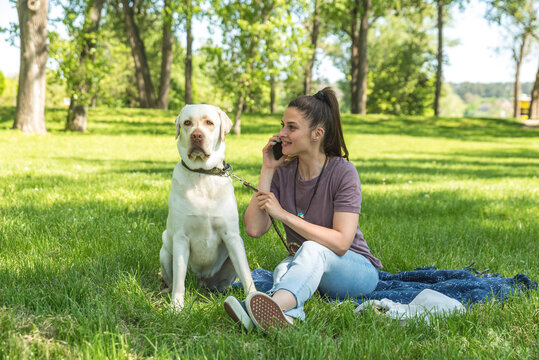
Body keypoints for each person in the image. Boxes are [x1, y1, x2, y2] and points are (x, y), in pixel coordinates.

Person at [224, 87, 382, 331]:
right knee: (283, 267)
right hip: (310, 266)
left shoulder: (342, 172)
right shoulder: (283, 172)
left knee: (310, 250)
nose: (282, 134)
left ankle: (267, 308)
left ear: (317, 133)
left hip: (355, 270)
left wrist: (283, 215)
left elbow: (341, 242)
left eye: (291, 127)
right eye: (282, 125)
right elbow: (254, 228)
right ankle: (287, 318)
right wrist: (268, 169)